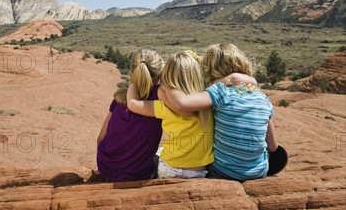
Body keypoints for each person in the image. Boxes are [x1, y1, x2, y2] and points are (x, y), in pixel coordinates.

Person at [161, 43, 278, 181]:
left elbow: (182, 104)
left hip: (222, 172)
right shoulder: (263, 98)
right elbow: (273, 146)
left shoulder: (219, 91)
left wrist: (166, 85)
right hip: (259, 172)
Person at [127, 51, 215, 179]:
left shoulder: (165, 107)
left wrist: (136, 82)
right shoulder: (208, 104)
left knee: (156, 153)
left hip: (170, 169)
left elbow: (133, 104)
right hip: (198, 171)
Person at [96, 48, 164, 182]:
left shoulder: (120, 98)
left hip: (106, 167)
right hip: (138, 173)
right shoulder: (161, 99)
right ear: (160, 75)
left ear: (132, 72)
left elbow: (100, 138)